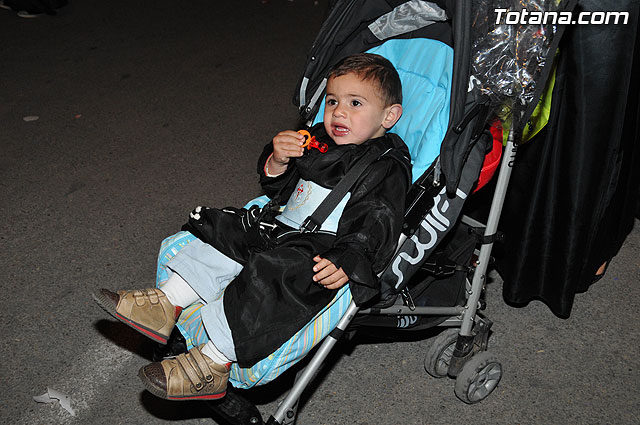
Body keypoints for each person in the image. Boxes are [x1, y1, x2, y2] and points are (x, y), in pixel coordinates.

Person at [93, 53, 411, 401]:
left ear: (389, 115)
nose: (338, 111)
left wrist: (349, 258)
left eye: (355, 103)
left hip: (321, 247)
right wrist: (277, 160)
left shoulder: (385, 164)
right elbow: (279, 188)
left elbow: (378, 219)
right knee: (226, 230)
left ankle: (212, 363)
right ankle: (167, 302)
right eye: (332, 100)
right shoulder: (317, 137)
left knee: (273, 277)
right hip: (280, 225)